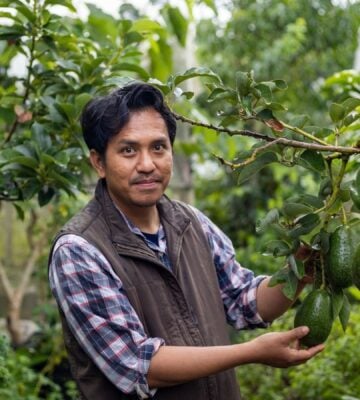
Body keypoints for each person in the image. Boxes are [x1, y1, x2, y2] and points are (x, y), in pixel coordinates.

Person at [48, 82, 324, 400]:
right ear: (98, 162)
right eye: (128, 150)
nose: (147, 164)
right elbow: (139, 364)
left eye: (158, 147)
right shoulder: (79, 250)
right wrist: (250, 352)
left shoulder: (190, 222)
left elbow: (245, 301)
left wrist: (299, 269)